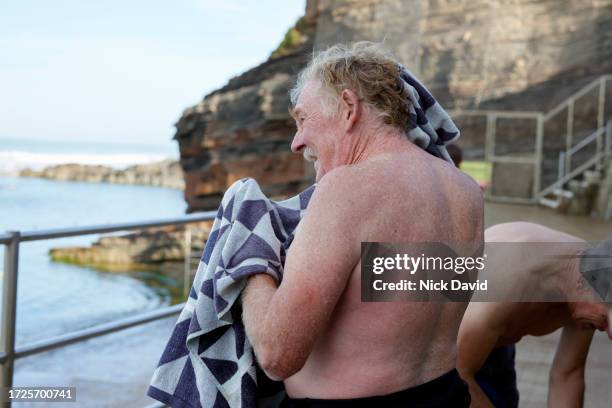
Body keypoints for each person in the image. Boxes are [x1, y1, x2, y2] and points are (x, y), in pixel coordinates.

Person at [240, 42, 484, 407]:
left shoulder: (347, 190)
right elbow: (395, 298)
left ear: (349, 108)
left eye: (303, 119)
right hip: (442, 394)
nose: (297, 142)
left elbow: (277, 356)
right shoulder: (464, 190)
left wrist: (251, 254)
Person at [457, 222, 612, 408]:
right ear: (581, 284)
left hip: (493, 345)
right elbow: (457, 377)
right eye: (606, 316)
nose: (609, 332)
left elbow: (568, 373)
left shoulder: (597, 273)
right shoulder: (511, 279)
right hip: (446, 344)